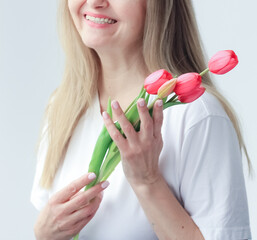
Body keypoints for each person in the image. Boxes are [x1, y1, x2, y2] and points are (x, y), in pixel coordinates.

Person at [31, 0, 252, 239]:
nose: (95, 2)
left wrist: (147, 180)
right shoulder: (63, 107)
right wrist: (43, 234)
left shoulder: (197, 116)